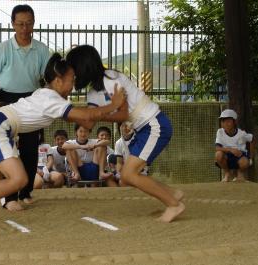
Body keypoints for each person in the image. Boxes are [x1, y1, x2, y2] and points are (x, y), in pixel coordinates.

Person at [0, 53, 126, 232]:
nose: (74, 85)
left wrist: (105, 106)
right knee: (19, 179)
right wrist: (112, 104)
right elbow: (86, 115)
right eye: (72, 79)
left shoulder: (45, 95)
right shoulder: (52, 100)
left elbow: (86, 121)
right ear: (58, 80)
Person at [66, 44, 185, 223]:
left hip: (154, 125)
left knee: (129, 174)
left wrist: (98, 114)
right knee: (129, 175)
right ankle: (172, 194)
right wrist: (67, 113)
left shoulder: (111, 78)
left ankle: (174, 204)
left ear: (83, 66)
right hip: (144, 129)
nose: (72, 74)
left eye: (73, 69)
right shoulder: (93, 93)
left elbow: (123, 114)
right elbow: (89, 123)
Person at [0, 4, 50, 211]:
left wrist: (45, 102)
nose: (24, 28)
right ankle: (9, 197)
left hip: (32, 100)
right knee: (9, 149)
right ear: (13, 24)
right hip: (6, 100)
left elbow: (47, 79)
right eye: (20, 24)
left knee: (31, 149)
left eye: (28, 23)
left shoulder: (41, 50)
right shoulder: (2, 49)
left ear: (34, 23)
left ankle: (26, 191)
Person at [215, 109, 255, 182]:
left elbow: (252, 139)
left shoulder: (242, 134)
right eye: (223, 121)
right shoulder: (220, 132)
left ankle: (240, 175)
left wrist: (251, 157)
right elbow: (217, 148)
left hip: (240, 157)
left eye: (228, 121)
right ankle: (227, 173)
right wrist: (231, 150)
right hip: (227, 157)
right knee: (218, 154)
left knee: (245, 162)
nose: (225, 123)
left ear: (235, 122)